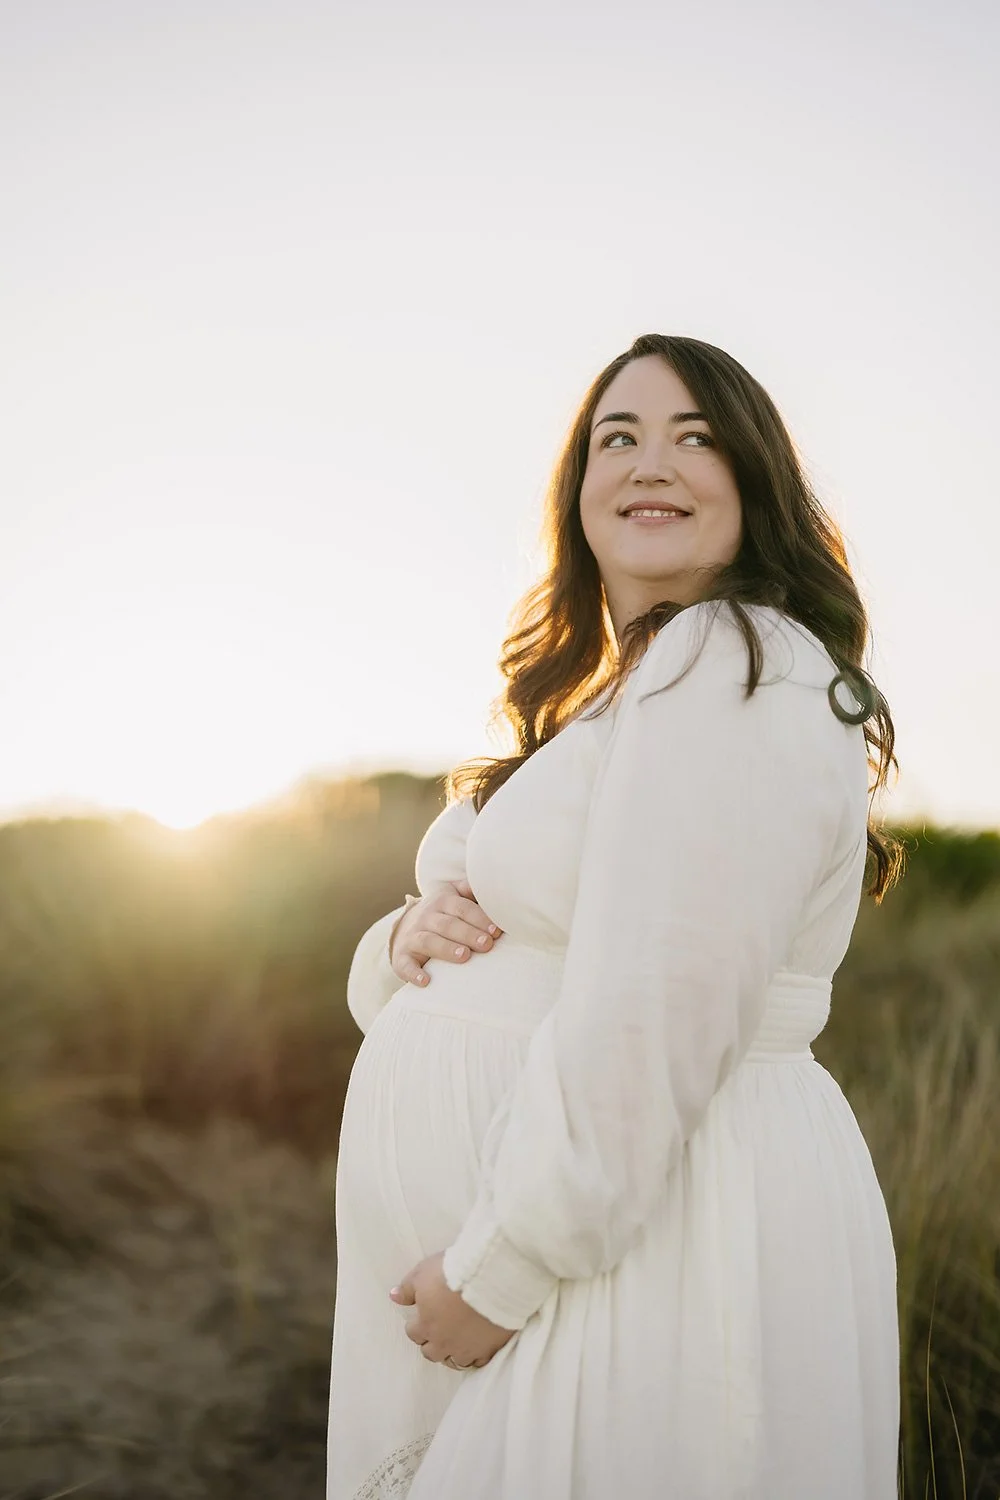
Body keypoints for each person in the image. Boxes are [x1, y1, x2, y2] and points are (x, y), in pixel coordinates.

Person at [326, 334, 902, 1500]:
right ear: (576, 489)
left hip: (659, 1231)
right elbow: (494, 952)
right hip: (595, 1231)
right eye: (617, 439)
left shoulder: (733, 665)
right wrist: (397, 948)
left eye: (696, 439)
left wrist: (499, 1271)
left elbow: (657, 1014)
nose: (652, 464)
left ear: (754, 483)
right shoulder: (617, 691)